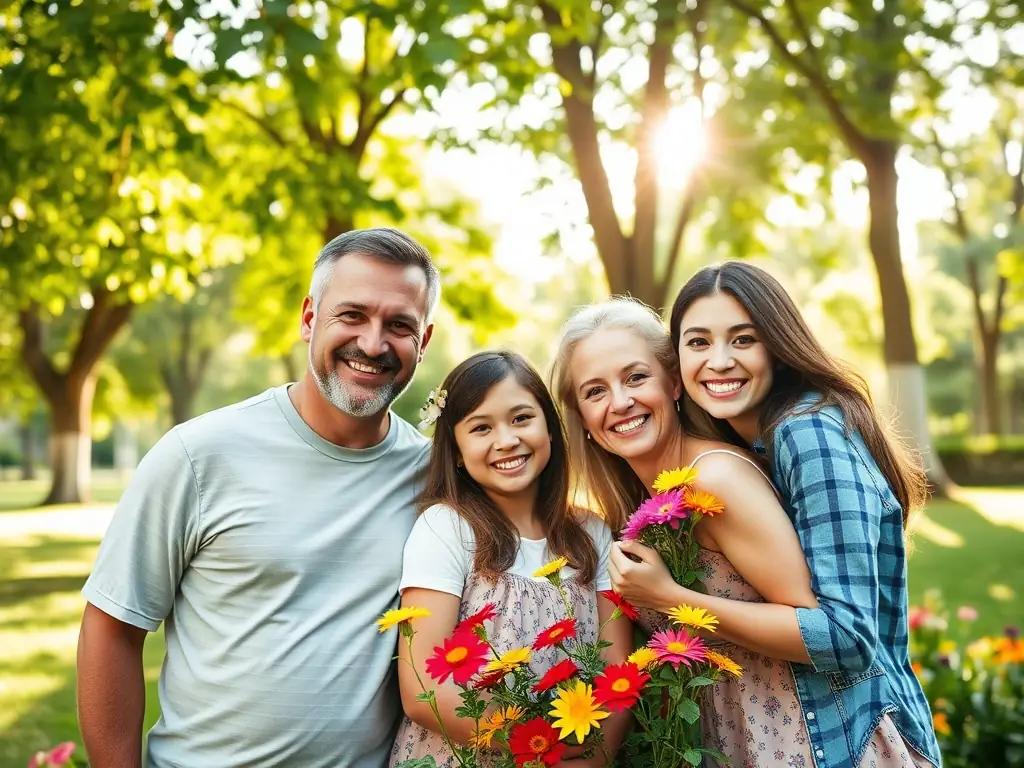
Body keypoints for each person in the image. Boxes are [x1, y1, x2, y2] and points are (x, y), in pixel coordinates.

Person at [77, 228, 439, 768]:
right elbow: (111, 629)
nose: (372, 343)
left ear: (423, 341)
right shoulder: (199, 456)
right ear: (309, 317)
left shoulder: (434, 477)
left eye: (399, 325)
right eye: (352, 315)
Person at [617, 262, 940, 767]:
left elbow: (848, 636)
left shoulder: (806, 431)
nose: (719, 361)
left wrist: (673, 598)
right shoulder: (755, 440)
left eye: (742, 339)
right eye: (698, 342)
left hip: (852, 742)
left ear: (778, 344)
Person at [552, 297, 820, 767]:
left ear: (673, 382)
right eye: (595, 391)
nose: (620, 402)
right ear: (583, 418)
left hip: (791, 741)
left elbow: (814, 629)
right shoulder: (639, 507)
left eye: (636, 377)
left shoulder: (714, 478)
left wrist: (671, 597)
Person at [390, 351, 632, 767]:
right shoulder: (446, 528)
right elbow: (423, 690)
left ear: (550, 428)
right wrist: (539, 746)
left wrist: (593, 756)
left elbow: (617, 677)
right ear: (457, 451)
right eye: (481, 427)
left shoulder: (592, 533)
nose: (506, 440)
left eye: (521, 418)